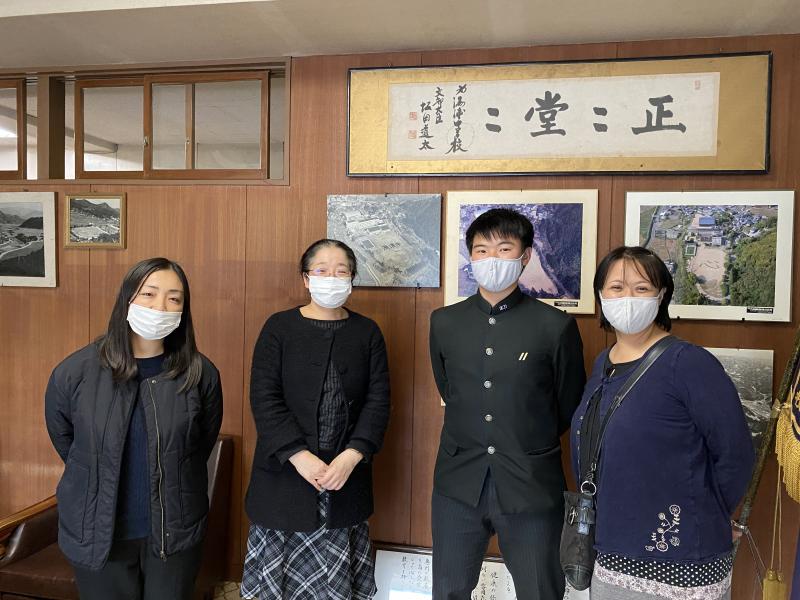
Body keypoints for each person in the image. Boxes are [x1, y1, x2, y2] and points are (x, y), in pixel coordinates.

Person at [570, 246, 755, 600]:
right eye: (616, 287)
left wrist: (712, 512)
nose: (627, 297)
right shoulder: (603, 363)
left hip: (681, 559)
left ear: (661, 295)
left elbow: (736, 453)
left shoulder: (689, 363)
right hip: (611, 548)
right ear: (600, 296)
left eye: (641, 288)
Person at [429, 208, 586, 600]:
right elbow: (448, 388)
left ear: (525, 256)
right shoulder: (444, 322)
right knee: (448, 591)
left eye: (504, 248)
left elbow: (568, 404)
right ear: (470, 256)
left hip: (531, 482)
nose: (492, 259)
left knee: (540, 591)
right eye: (481, 250)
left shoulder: (554, 326)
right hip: (458, 481)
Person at [44, 257, 223, 600]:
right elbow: (66, 438)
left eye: (174, 298)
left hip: (173, 532)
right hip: (97, 531)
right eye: (149, 294)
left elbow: (200, 444)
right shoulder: (76, 371)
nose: (160, 307)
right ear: (127, 298)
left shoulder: (200, 374)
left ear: (184, 309)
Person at [241, 238, 391, 599]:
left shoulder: (367, 331)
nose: (332, 278)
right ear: (306, 279)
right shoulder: (279, 327)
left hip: (345, 478)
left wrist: (352, 456)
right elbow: (264, 397)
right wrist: (298, 455)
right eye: (322, 271)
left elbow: (379, 401)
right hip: (284, 476)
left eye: (341, 271)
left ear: (352, 278)